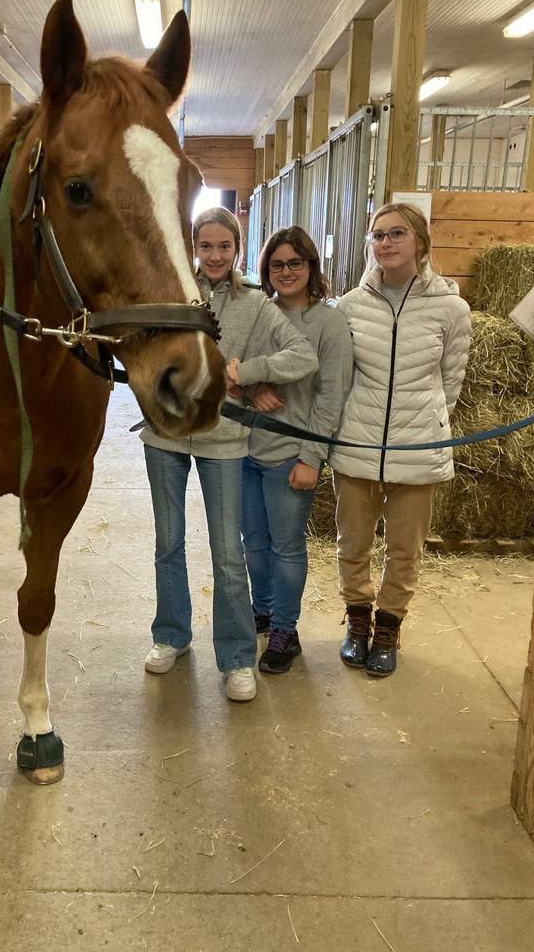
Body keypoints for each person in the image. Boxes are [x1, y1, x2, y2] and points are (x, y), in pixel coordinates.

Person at [140, 207, 319, 702]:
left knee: (227, 552)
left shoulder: (258, 304)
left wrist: (248, 372)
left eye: (224, 246)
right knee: (168, 542)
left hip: (223, 440)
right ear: (193, 248)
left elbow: (303, 355)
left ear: (238, 249)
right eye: (205, 246)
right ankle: (170, 635)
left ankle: (237, 657)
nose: (214, 256)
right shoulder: (170, 290)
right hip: (166, 435)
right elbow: (139, 348)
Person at [330, 201, 471, 678]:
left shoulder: (451, 309)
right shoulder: (349, 306)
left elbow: (451, 380)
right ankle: (357, 623)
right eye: (378, 235)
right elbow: (341, 377)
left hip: (417, 447)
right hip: (357, 444)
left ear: (420, 242)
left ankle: (388, 628)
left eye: (396, 234)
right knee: (353, 543)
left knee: (405, 548)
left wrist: (427, 425)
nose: (385, 243)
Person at [241, 227, 353, 674]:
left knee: (287, 547)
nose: (286, 272)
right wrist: (252, 391)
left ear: (311, 267)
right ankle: (262, 610)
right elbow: (232, 372)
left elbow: (332, 394)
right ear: (266, 270)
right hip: (247, 449)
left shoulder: (329, 323)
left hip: (292, 452)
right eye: (277, 264)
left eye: (295, 263)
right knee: (254, 544)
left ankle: (286, 630)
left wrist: (312, 457)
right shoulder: (257, 314)